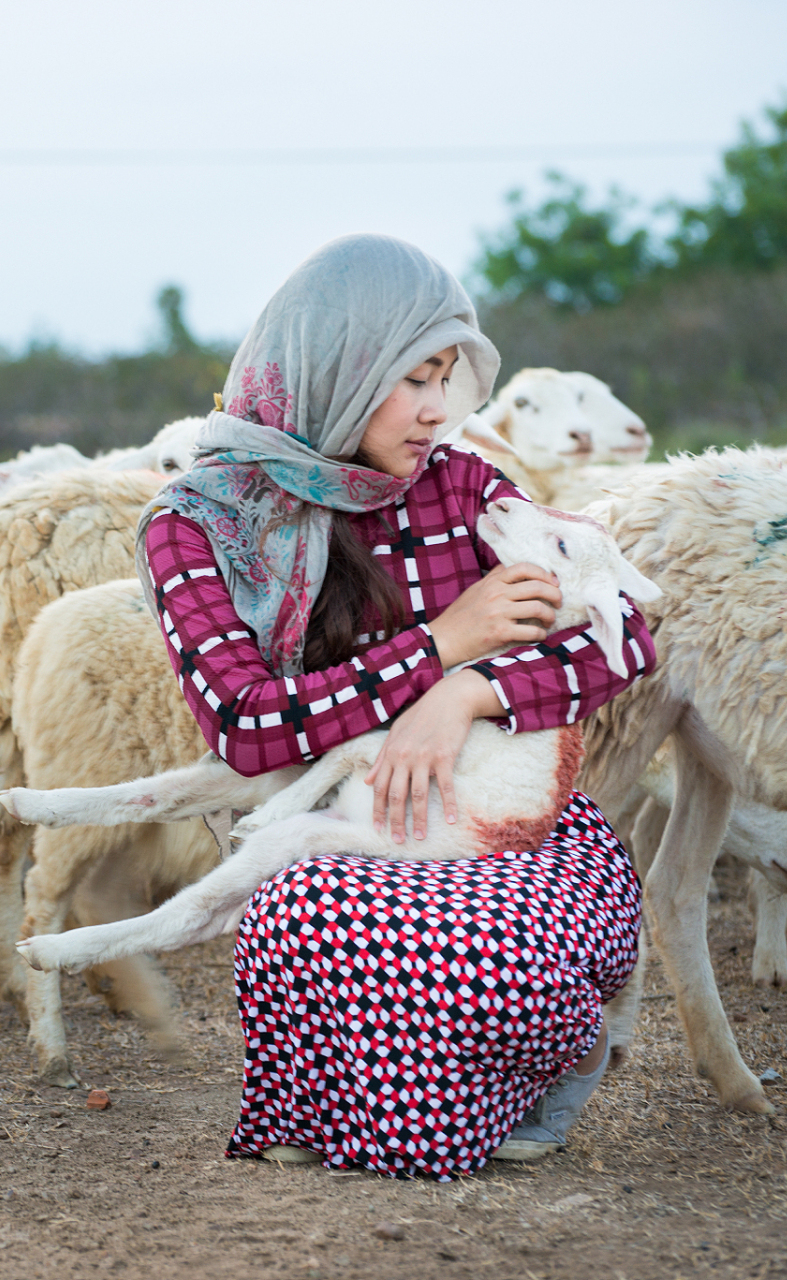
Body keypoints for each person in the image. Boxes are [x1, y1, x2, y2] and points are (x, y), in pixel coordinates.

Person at [136, 234, 653, 1181]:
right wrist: (441, 648)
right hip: (340, 820)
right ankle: (392, 1108)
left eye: (447, 377)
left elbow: (616, 628)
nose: (436, 409)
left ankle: (549, 1059)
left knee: (516, 959)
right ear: (338, 369)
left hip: (510, 817)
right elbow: (247, 726)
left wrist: (469, 693)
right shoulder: (197, 524)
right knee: (311, 914)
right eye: (411, 377)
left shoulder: (460, 486)